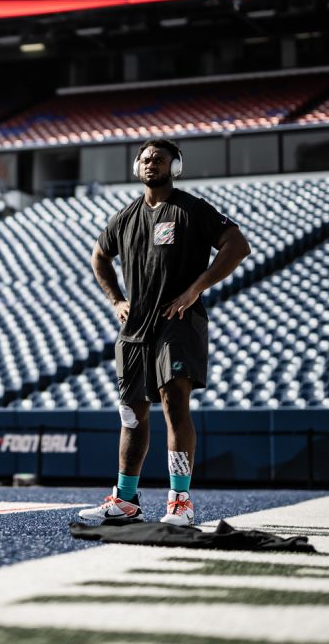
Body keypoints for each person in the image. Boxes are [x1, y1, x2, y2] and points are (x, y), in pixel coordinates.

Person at [82, 138, 251, 526]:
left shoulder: (191, 209)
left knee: (175, 404)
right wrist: (115, 300)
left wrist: (196, 288)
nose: (150, 163)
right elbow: (99, 256)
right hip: (134, 331)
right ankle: (125, 501)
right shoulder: (125, 217)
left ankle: (180, 501)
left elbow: (237, 245)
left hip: (177, 324)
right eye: (145, 158)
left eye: (159, 158)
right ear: (135, 166)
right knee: (131, 415)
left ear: (175, 167)